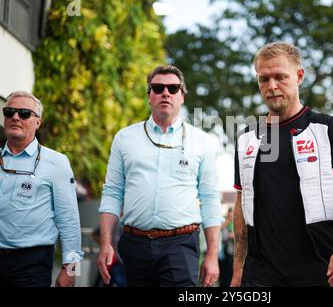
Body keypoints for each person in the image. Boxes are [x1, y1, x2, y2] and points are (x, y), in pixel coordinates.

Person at [231, 42, 333, 287]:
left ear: (299, 76)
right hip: (260, 274)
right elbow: (241, 205)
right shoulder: (246, 137)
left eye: (281, 77)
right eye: (264, 79)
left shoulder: (327, 128)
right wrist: (238, 269)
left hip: (320, 269)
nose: (272, 86)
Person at [97, 65, 223, 287]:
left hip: (180, 245)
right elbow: (112, 192)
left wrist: (212, 254)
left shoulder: (202, 142)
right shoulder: (124, 138)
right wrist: (106, 243)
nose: (166, 93)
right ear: (149, 96)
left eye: (173, 88)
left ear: (182, 96)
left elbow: (210, 198)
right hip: (134, 244)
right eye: (158, 87)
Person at [0, 91, 83, 287]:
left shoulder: (56, 162)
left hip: (32, 264)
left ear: (38, 122)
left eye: (24, 113)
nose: (15, 117)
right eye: (9, 111)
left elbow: (69, 220)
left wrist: (72, 271)